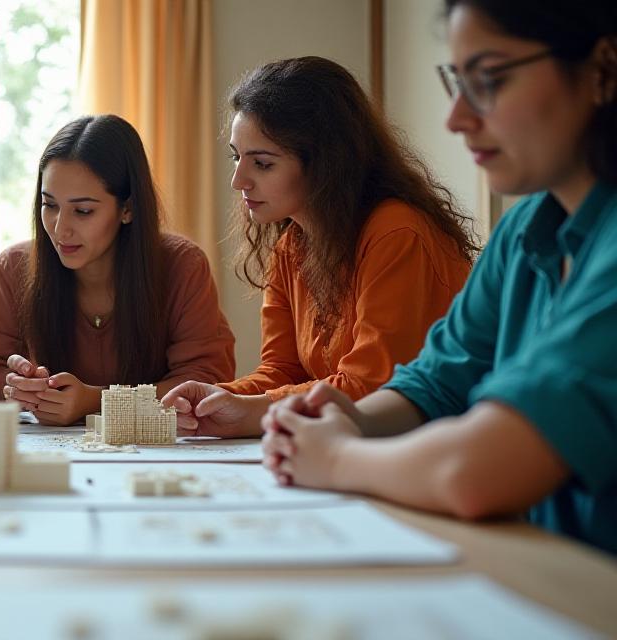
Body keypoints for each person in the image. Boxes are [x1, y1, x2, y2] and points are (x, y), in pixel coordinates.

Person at [262, 0, 617, 555]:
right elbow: (434, 383)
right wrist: (345, 416)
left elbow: (476, 471)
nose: (456, 117)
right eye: (457, 80)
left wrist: (335, 457)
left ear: (602, 70)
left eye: (490, 79)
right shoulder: (524, 226)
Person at [161, 56, 477, 438]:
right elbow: (282, 372)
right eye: (236, 156)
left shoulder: (396, 232)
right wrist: (216, 398)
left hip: (427, 448)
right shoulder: (291, 244)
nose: (238, 180)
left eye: (262, 163)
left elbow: (372, 388)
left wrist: (251, 411)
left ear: (326, 163)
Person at [0, 114, 236, 426]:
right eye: (49, 205)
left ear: (127, 209)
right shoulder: (12, 267)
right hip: (48, 455)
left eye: (83, 211)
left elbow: (206, 379)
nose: (60, 229)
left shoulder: (182, 266)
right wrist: (19, 389)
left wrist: (98, 401)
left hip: (154, 455)